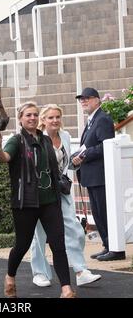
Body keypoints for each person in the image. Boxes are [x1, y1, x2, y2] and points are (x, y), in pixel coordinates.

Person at [0, 101, 76, 299]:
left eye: (35, 115)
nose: (32, 118)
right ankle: (10, 277)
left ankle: (66, 290)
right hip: (26, 202)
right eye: (28, 115)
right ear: (21, 119)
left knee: (58, 245)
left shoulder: (45, 140)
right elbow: (4, 158)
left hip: (50, 201)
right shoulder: (16, 140)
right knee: (22, 244)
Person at [30, 104, 101, 287]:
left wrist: (76, 162)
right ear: (43, 120)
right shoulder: (37, 138)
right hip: (41, 193)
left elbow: (68, 165)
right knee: (40, 235)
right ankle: (40, 273)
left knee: (75, 231)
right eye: (51, 117)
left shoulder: (66, 136)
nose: (55, 121)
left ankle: (80, 271)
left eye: (57, 117)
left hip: (62, 191)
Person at [72, 87, 125, 261]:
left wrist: (84, 155)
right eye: (81, 99)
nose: (83, 101)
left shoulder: (102, 119)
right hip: (91, 176)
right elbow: (88, 145)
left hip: (100, 176)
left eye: (87, 98)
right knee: (98, 213)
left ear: (97, 100)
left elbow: (105, 145)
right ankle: (108, 245)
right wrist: (78, 155)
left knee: (104, 213)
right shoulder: (91, 120)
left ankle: (115, 249)